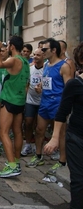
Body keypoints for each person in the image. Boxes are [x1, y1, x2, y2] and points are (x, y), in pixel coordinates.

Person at [44, 41, 83, 209]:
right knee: (79, 180)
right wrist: (54, 139)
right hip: (77, 138)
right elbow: (62, 113)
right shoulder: (75, 84)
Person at [26, 38, 72, 175]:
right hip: (44, 103)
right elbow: (46, 81)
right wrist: (41, 87)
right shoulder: (46, 65)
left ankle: (62, 161)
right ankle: (39, 155)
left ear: (53, 50)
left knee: (60, 134)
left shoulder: (64, 66)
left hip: (57, 104)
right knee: (39, 130)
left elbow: (69, 88)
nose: (41, 51)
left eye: (44, 49)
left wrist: (65, 107)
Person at [0, 36, 30, 178]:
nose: (6, 47)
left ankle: (12, 165)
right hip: (20, 101)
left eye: (8, 45)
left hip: (9, 100)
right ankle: (16, 161)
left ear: (12, 47)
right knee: (17, 132)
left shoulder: (14, 60)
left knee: (3, 132)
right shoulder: (25, 61)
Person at [21, 48, 44, 157]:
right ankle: (28, 144)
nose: (35, 57)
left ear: (43, 56)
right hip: (30, 100)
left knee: (40, 126)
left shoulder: (46, 69)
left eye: (38, 55)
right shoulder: (30, 69)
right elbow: (26, 83)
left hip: (42, 101)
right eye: (34, 54)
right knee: (28, 122)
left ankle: (38, 146)